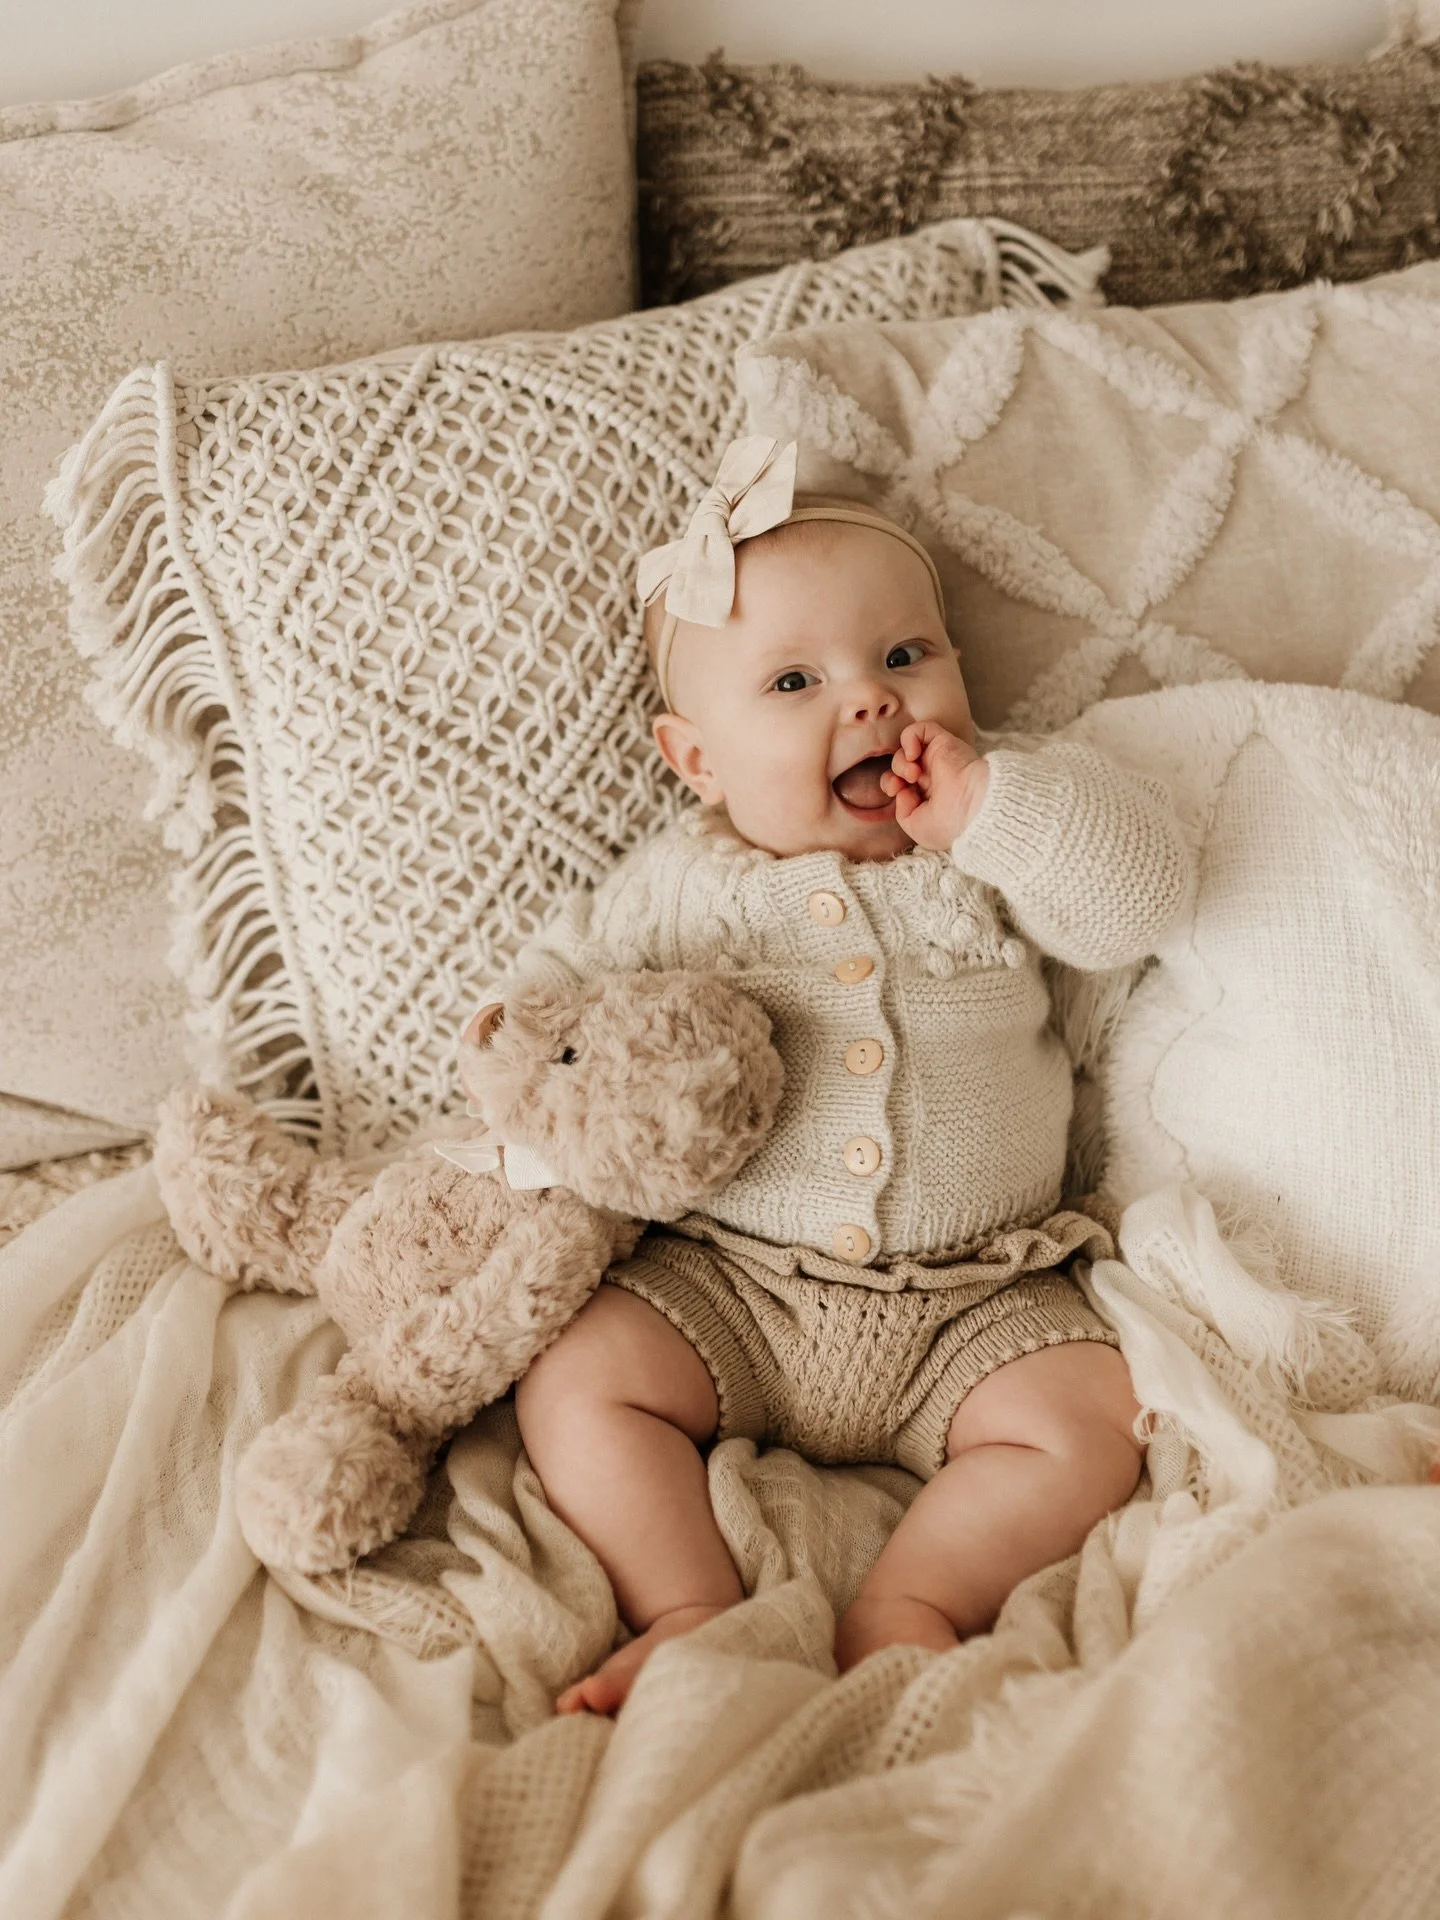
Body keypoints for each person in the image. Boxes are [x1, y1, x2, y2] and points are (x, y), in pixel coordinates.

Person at [491, 436, 1193, 1715]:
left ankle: (908, 1604)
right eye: (797, 680)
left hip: (982, 1298)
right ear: (697, 759)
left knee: (1095, 1415)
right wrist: (523, 1073)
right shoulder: (685, 886)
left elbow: (1139, 901)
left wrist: (993, 812)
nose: (871, 702)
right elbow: (553, 1007)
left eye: (906, 658)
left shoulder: (999, 830)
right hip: (731, 1284)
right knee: (579, 1372)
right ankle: (690, 1604)